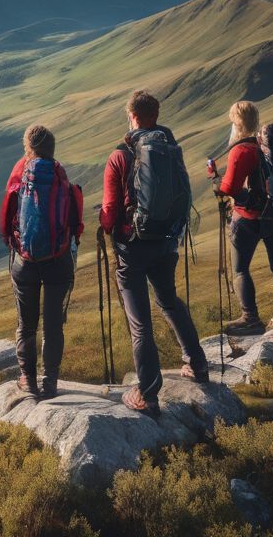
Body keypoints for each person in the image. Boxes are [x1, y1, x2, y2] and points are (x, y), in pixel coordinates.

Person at [99, 90, 209, 416]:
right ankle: (196, 363)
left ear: (132, 116)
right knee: (169, 301)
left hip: (132, 249)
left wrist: (107, 223)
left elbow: (109, 211)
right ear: (154, 117)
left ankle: (147, 395)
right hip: (165, 242)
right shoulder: (169, 150)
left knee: (140, 323)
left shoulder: (120, 156)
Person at [0, 124, 84, 399]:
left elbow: (5, 220)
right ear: (52, 148)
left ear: (28, 147)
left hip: (25, 262)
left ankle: (27, 379)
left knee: (27, 324)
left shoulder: (20, 175)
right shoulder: (61, 177)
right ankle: (50, 382)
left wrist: (13, 241)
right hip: (58, 260)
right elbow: (76, 223)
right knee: (53, 324)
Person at [209, 101, 273, 334]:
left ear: (236, 123)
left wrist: (216, 181)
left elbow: (230, 188)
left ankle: (250, 318)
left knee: (240, 269)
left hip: (248, 218)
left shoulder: (241, 150)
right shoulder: (266, 144)